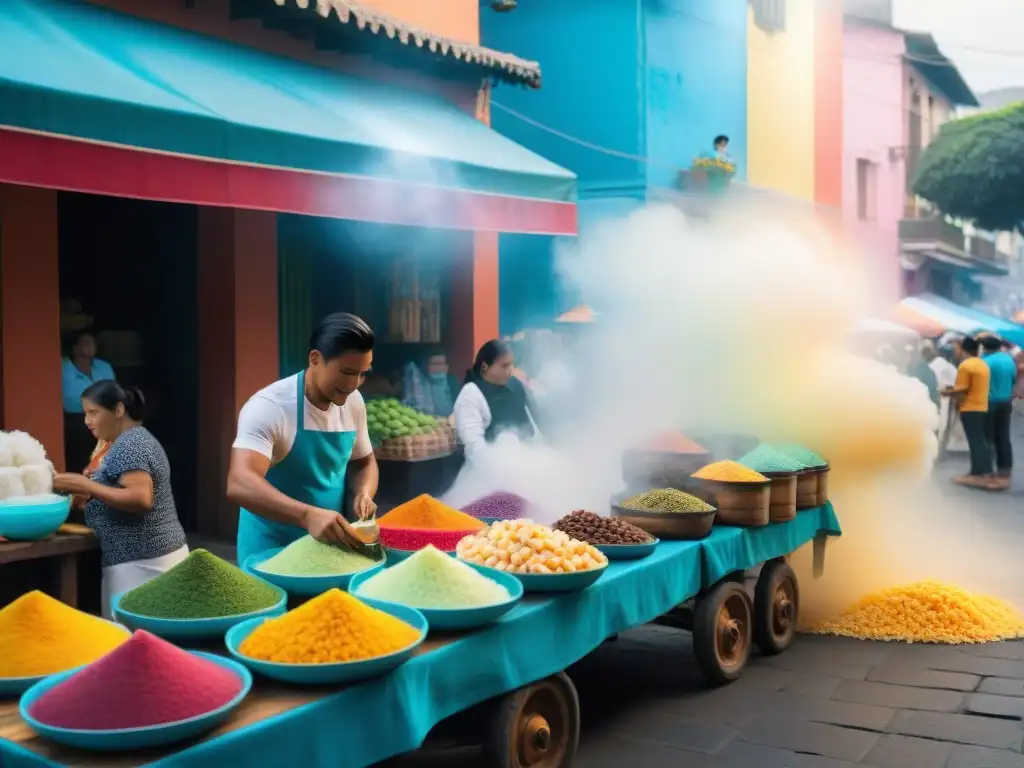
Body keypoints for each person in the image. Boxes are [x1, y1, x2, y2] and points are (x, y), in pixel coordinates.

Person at [227, 312, 379, 565]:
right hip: (270, 553)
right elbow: (240, 483)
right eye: (346, 372)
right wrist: (307, 516)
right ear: (315, 359)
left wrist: (363, 493)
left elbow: (363, 462)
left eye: (363, 374)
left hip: (330, 551)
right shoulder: (270, 407)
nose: (354, 384)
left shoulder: (353, 402)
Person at [52, 381, 188, 618]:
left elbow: (140, 498)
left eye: (94, 413)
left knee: (133, 642)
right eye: (85, 413)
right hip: (140, 558)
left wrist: (86, 485)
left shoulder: (130, 444)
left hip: (144, 561)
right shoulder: (121, 442)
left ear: (118, 410)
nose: (87, 421)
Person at [453, 339, 539, 461]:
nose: (510, 370)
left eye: (511, 364)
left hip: (523, 463)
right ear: (485, 367)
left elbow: (532, 427)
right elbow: (475, 448)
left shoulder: (516, 385)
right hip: (487, 471)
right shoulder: (471, 394)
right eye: (504, 365)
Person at [61, 330, 116, 473]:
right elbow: (71, 398)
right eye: (86, 343)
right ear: (75, 348)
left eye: (93, 343)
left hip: (104, 418)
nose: (91, 347)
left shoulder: (103, 367)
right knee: (79, 458)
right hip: (76, 421)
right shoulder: (64, 367)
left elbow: (111, 392)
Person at [942, 336, 992, 486]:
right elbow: (971, 386)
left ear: (964, 350)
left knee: (974, 441)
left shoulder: (966, 366)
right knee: (980, 440)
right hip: (982, 406)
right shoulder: (982, 364)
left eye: (957, 348)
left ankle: (977, 473)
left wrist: (947, 393)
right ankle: (984, 470)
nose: (956, 351)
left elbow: (962, 390)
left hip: (970, 408)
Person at [981, 335, 1016, 488]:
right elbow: (1013, 380)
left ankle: (986, 471)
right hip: (1006, 403)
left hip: (989, 403)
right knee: (1003, 436)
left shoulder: (985, 362)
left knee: (987, 437)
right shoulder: (1009, 360)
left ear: (985, 347)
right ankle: (1004, 470)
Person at [402, 350, 460, 418]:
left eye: (441, 364)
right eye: (435, 364)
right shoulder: (421, 382)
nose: (438, 367)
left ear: (447, 366)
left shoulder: (452, 381)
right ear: (427, 366)